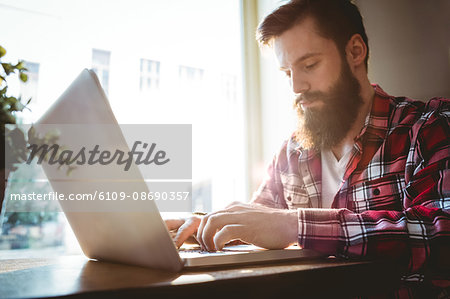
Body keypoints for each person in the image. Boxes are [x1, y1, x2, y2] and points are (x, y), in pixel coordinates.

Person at [166, 0, 449, 296]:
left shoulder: (429, 128)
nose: (296, 87)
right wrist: (207, 225)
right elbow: (259, 223)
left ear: (355, 51)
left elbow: (441, 234)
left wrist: (296, 225)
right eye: (287, 73)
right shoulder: (291, 153)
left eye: (309, 65)